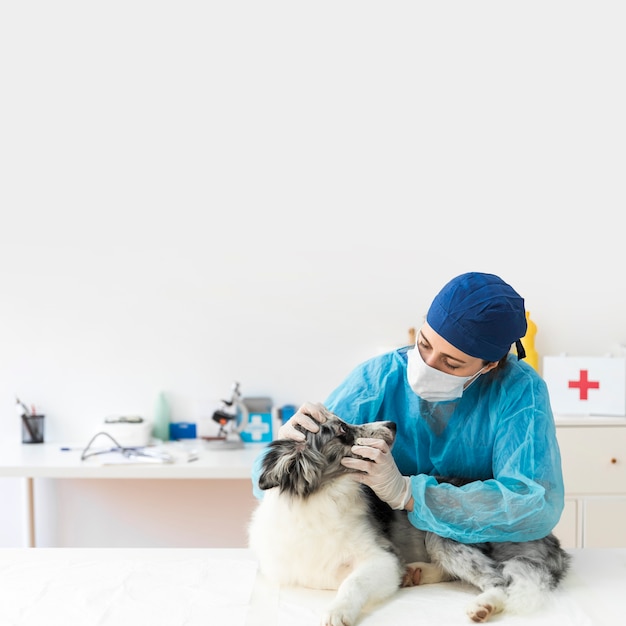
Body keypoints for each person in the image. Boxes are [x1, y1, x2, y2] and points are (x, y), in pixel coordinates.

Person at [252, 272, 565, 544]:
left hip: (478, 554)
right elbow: (273, 486)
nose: (427, 365)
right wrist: (288, 450)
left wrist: (410, 493)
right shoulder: (376, 379)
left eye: (451, 363)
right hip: (385, 551)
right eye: (425, 344)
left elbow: (533, 505)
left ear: (489, 365)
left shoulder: (519, 392)